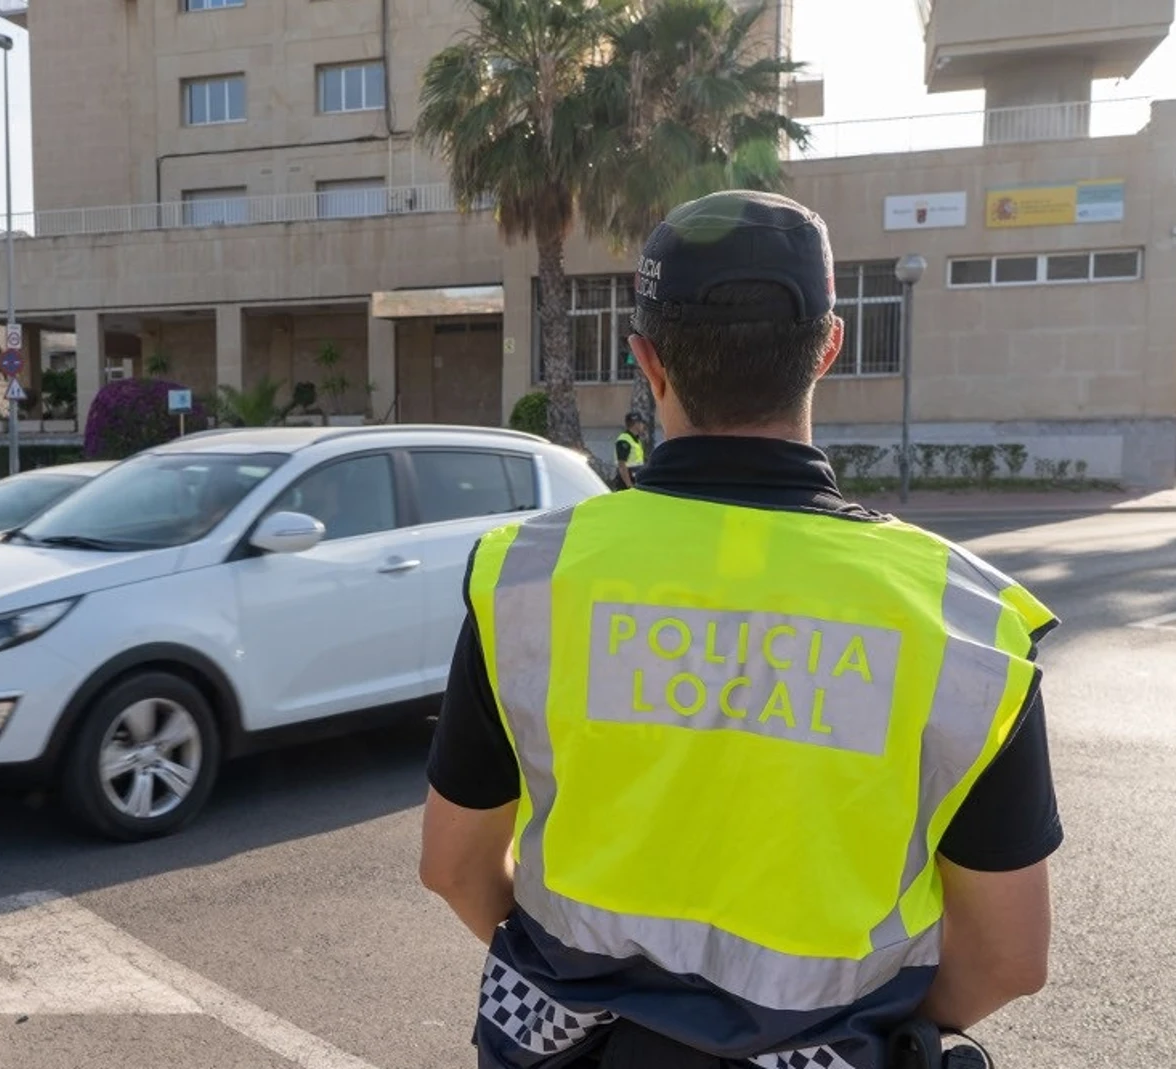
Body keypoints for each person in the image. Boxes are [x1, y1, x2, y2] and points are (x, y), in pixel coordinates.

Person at [419, 190, 1059, 1069]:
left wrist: (579, 986)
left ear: (647, 359)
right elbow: (1011, 959)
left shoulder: (528, 577)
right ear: (827, 347)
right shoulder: (965, 624)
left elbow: (452, 866)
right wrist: (881, 1024)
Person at [614, 413, 647, 490]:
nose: (643, 426)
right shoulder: (624, 440)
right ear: (636, 424)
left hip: (635, 478)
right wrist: (629, 485)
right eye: (641, 423)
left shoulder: (635, 439)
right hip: (627, 481)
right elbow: (622, 464)